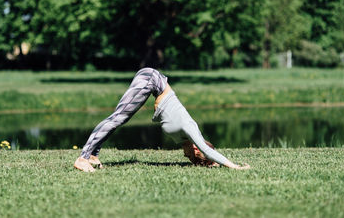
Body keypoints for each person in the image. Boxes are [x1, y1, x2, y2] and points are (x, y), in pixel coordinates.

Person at [74, 68, 250, 172]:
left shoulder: (184, 138)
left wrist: (208, 164)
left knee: (120, 119)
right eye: (190, 156)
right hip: (151, 80)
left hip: (153, 85)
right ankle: (83, 158)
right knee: (118, 118)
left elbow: (208, 156)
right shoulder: (190, 129)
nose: (185, 155)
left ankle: (92, 155)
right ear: (197, 149)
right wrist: (234, 166)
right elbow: (209, 150)